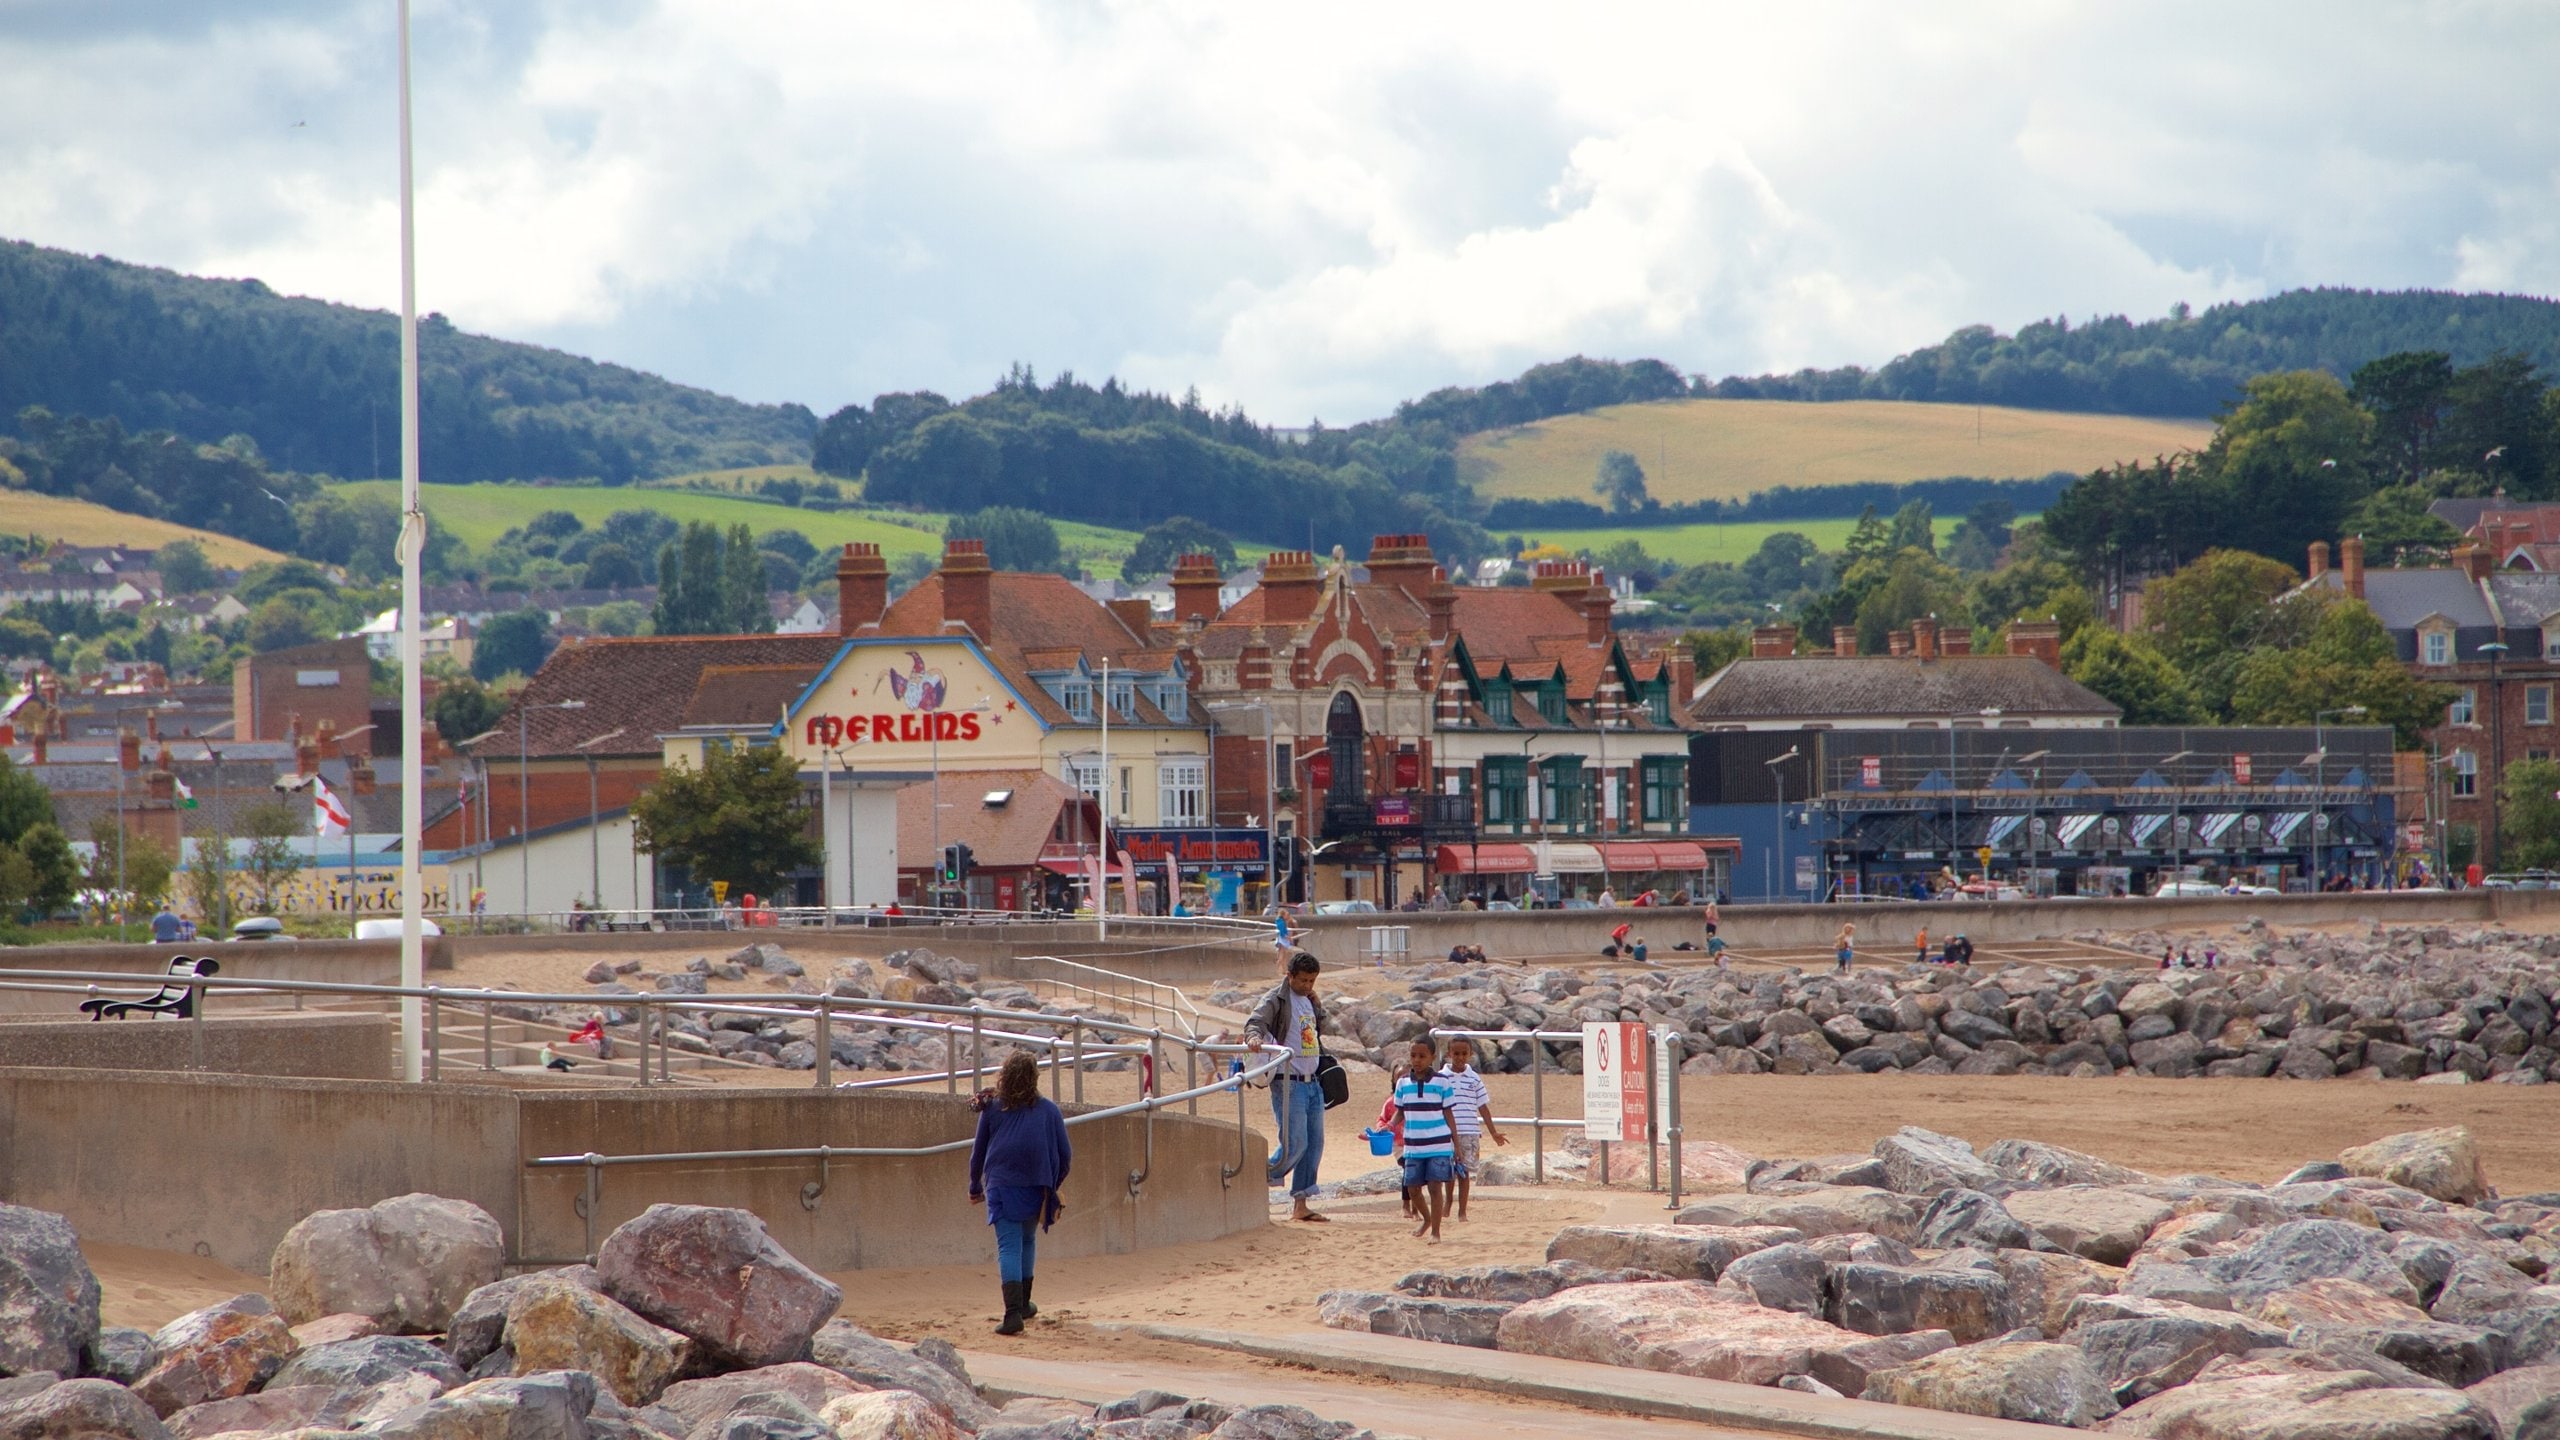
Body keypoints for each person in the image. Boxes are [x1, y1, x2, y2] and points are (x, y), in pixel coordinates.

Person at [968, 1050, 1072, 1336]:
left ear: (1005, 1075)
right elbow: (1065, 1155)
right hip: (1036, 1185)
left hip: (1002, 1185)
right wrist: (1053, 1183)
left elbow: (978, 1153)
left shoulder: (993, 1108)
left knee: (1009, 1246)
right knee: (1027, 1240)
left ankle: (1013, 1313)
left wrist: (975, 1187)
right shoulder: (1049, 1110)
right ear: (1034, 1077)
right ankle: (1024, 1304)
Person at [1243, 953, 1331, 1222]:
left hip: (1312, 1081)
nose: (1308, 985)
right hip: (1288, 1081)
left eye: (1312, 981)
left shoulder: (1308, 999)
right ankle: (1258, 1178)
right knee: (1295, 1143)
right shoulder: (1276, 998)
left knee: (1314, 1145)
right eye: (1303, 980)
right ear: (1289, 976)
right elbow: (1256, 1021)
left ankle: (1301, 1203)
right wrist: (1254, 1037)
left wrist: (1318, 1005)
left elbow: (1320, 1029)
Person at [1392, 1038, 1456, 1242]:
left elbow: (1448, 1115)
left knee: (1435, 1187)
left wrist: (1457, 1144)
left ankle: (1436, 1231)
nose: (1417, 1060)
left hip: (1439, 1145)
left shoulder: (1442, 1082)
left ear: (1432, 1057)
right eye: (1413, 1056)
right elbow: (1399, 1112)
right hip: (1413, 1146)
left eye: (1422, 1056)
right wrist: (1387, 1126)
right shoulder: (1402, 1084)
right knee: (1412, 1188)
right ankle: (1427, 1219)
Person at [1438, 1036, 1508, 1221]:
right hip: (1447, 1132)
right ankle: (1448, 1204)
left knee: (1465, 1172)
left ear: (1471, 1054)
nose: (1460, 1057)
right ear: (1449, 1054)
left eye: (1464, 1053)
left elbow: (1483, 1106)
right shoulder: (1442, 1077)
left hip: (1470, 1131)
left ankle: (1462, 1210)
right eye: (1456, 1053)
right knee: (1449, 1172)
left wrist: (1493, 1132)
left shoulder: (1474, 1078)